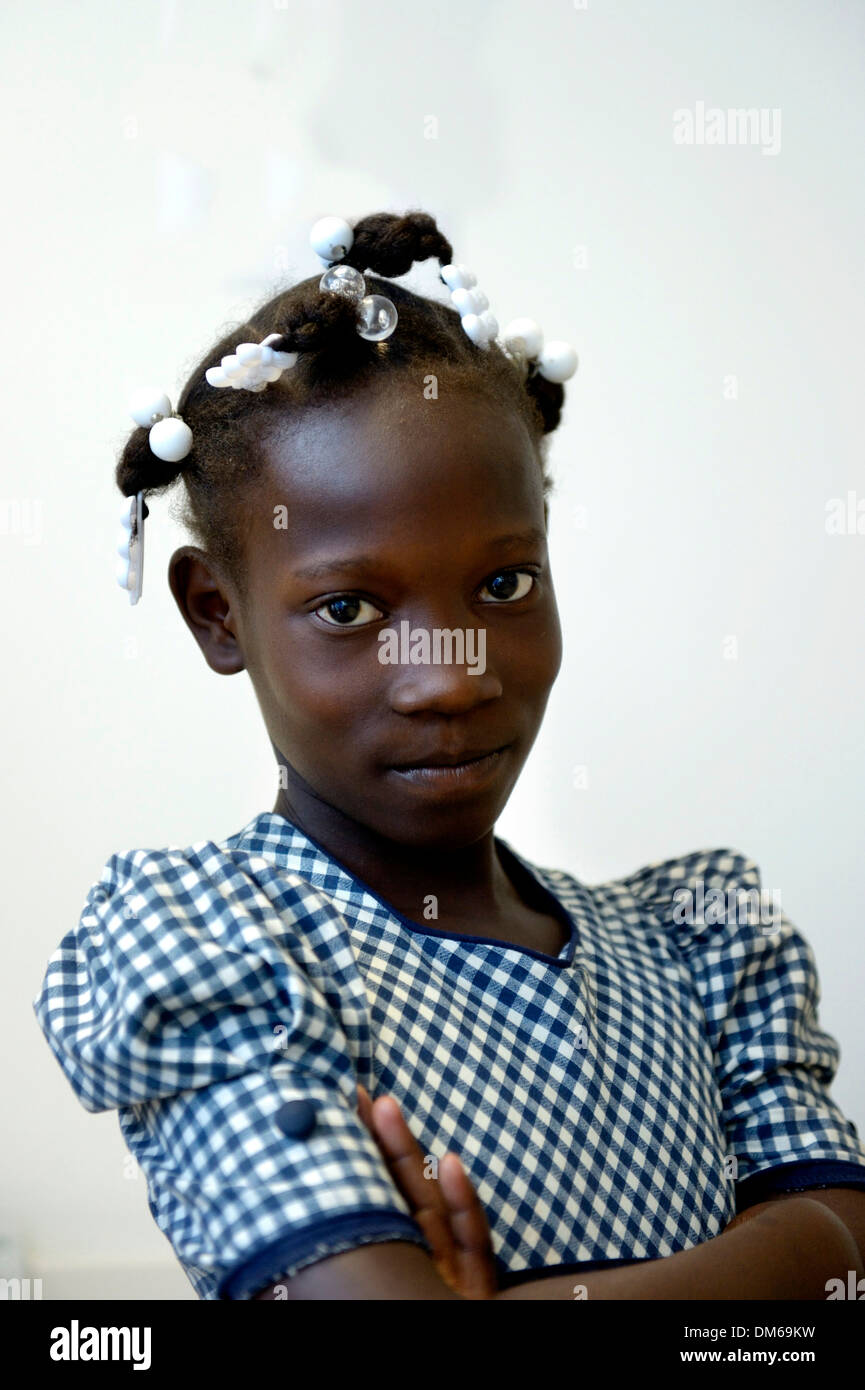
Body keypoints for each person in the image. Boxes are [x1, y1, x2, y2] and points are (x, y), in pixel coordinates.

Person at [33, 210, 865, 1300]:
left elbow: (843, 1252)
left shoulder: (699, 948)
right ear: (216, 614)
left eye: (504, 583)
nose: (452, 674)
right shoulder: (214, 950)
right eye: (349, 606)